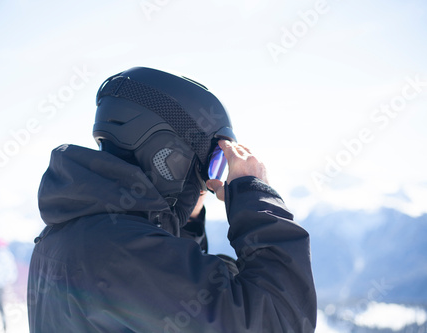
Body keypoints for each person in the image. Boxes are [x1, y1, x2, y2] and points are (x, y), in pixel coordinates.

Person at [27, 67, 317, 332]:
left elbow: (169, 300)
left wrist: (186, 218)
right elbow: (281, 318)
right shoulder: (123, 252)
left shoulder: (63, 237)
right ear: (168, 156)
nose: (207, 181)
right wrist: (255, 195)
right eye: (213, 163)